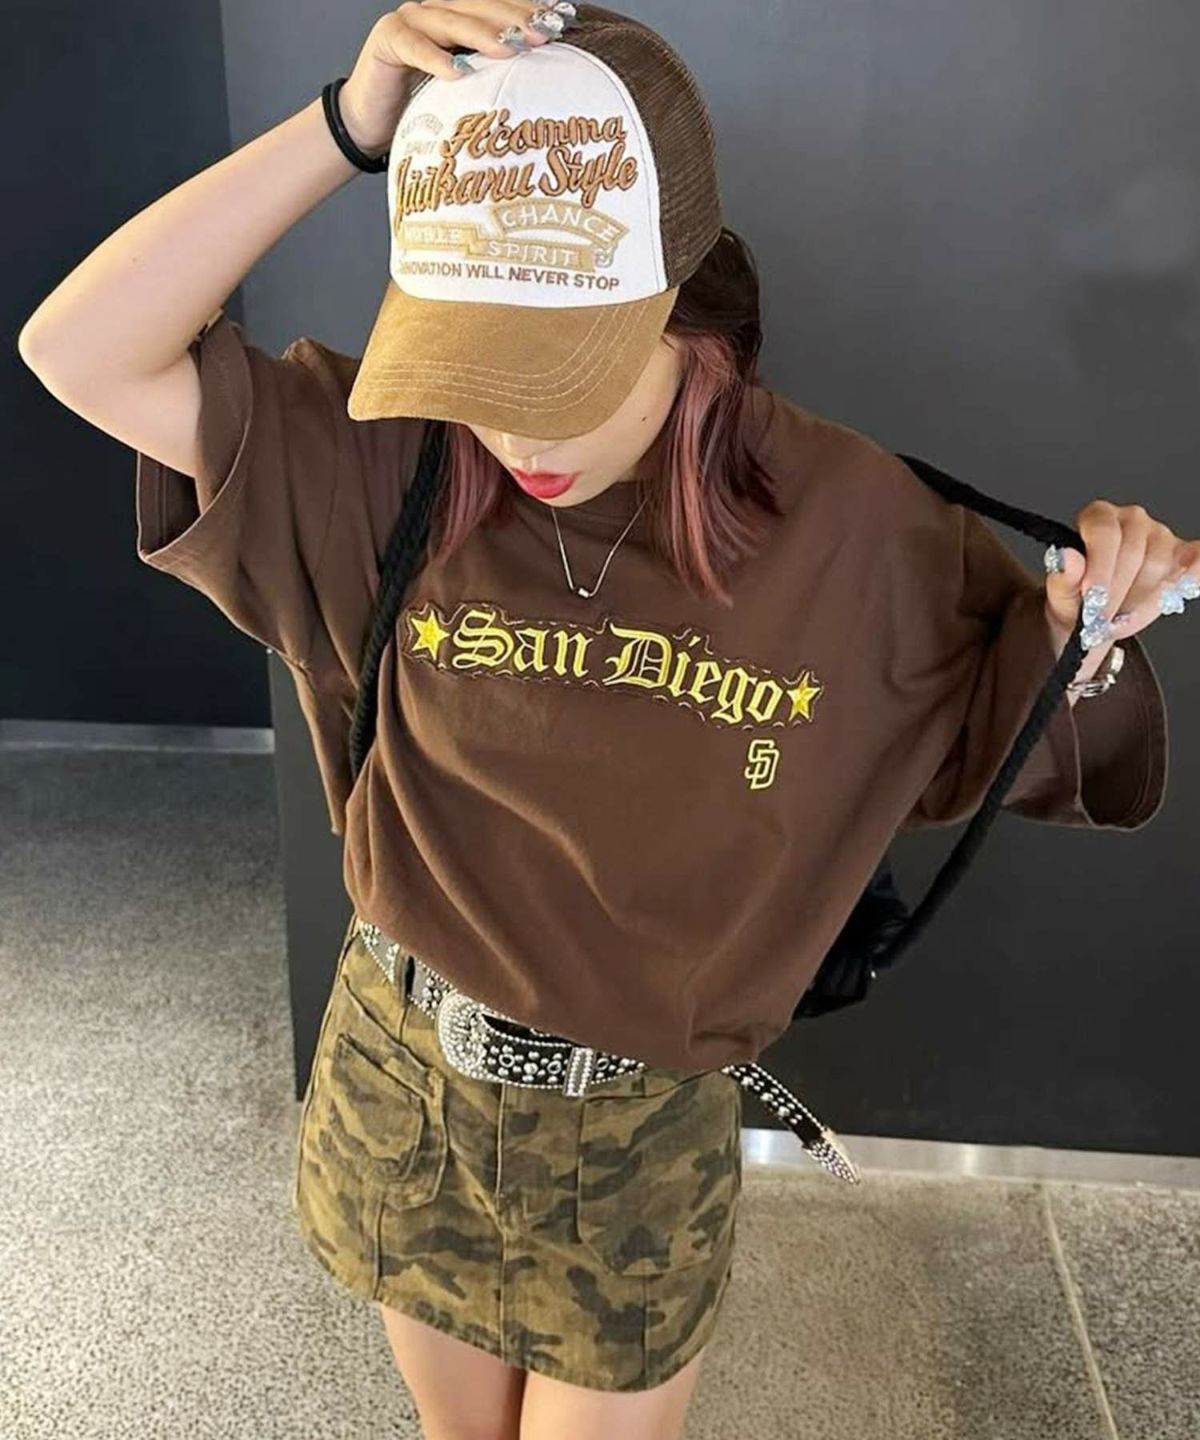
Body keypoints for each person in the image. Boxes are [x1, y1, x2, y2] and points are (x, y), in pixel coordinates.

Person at [18, 2, 1192, 1436]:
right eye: (475, 365)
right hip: (403, 1080)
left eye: (560, 374)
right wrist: (347, 126)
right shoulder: (392, 471)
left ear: (692, 324)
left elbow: (1011, 742)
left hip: (636, 1141)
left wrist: (1086, 635)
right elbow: (81, 348)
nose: (517, 433)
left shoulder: (862, 531)